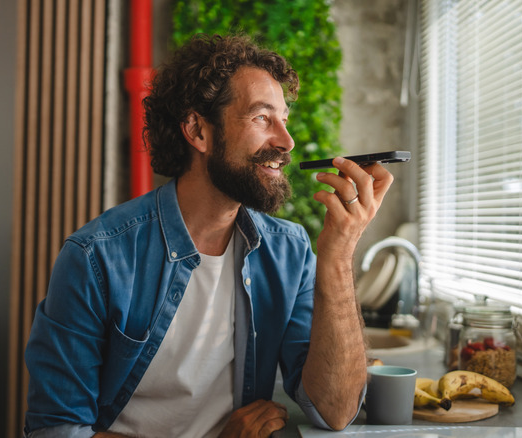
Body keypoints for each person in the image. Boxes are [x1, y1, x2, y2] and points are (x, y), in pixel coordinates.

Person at [24, 33, 394, 438]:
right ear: (198, 131)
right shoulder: (97, 257)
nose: (286, 142)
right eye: (261, 118)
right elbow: (56, 431)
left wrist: (338, 256)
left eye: (284, 120)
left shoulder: (289, 252)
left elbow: (335, 411)